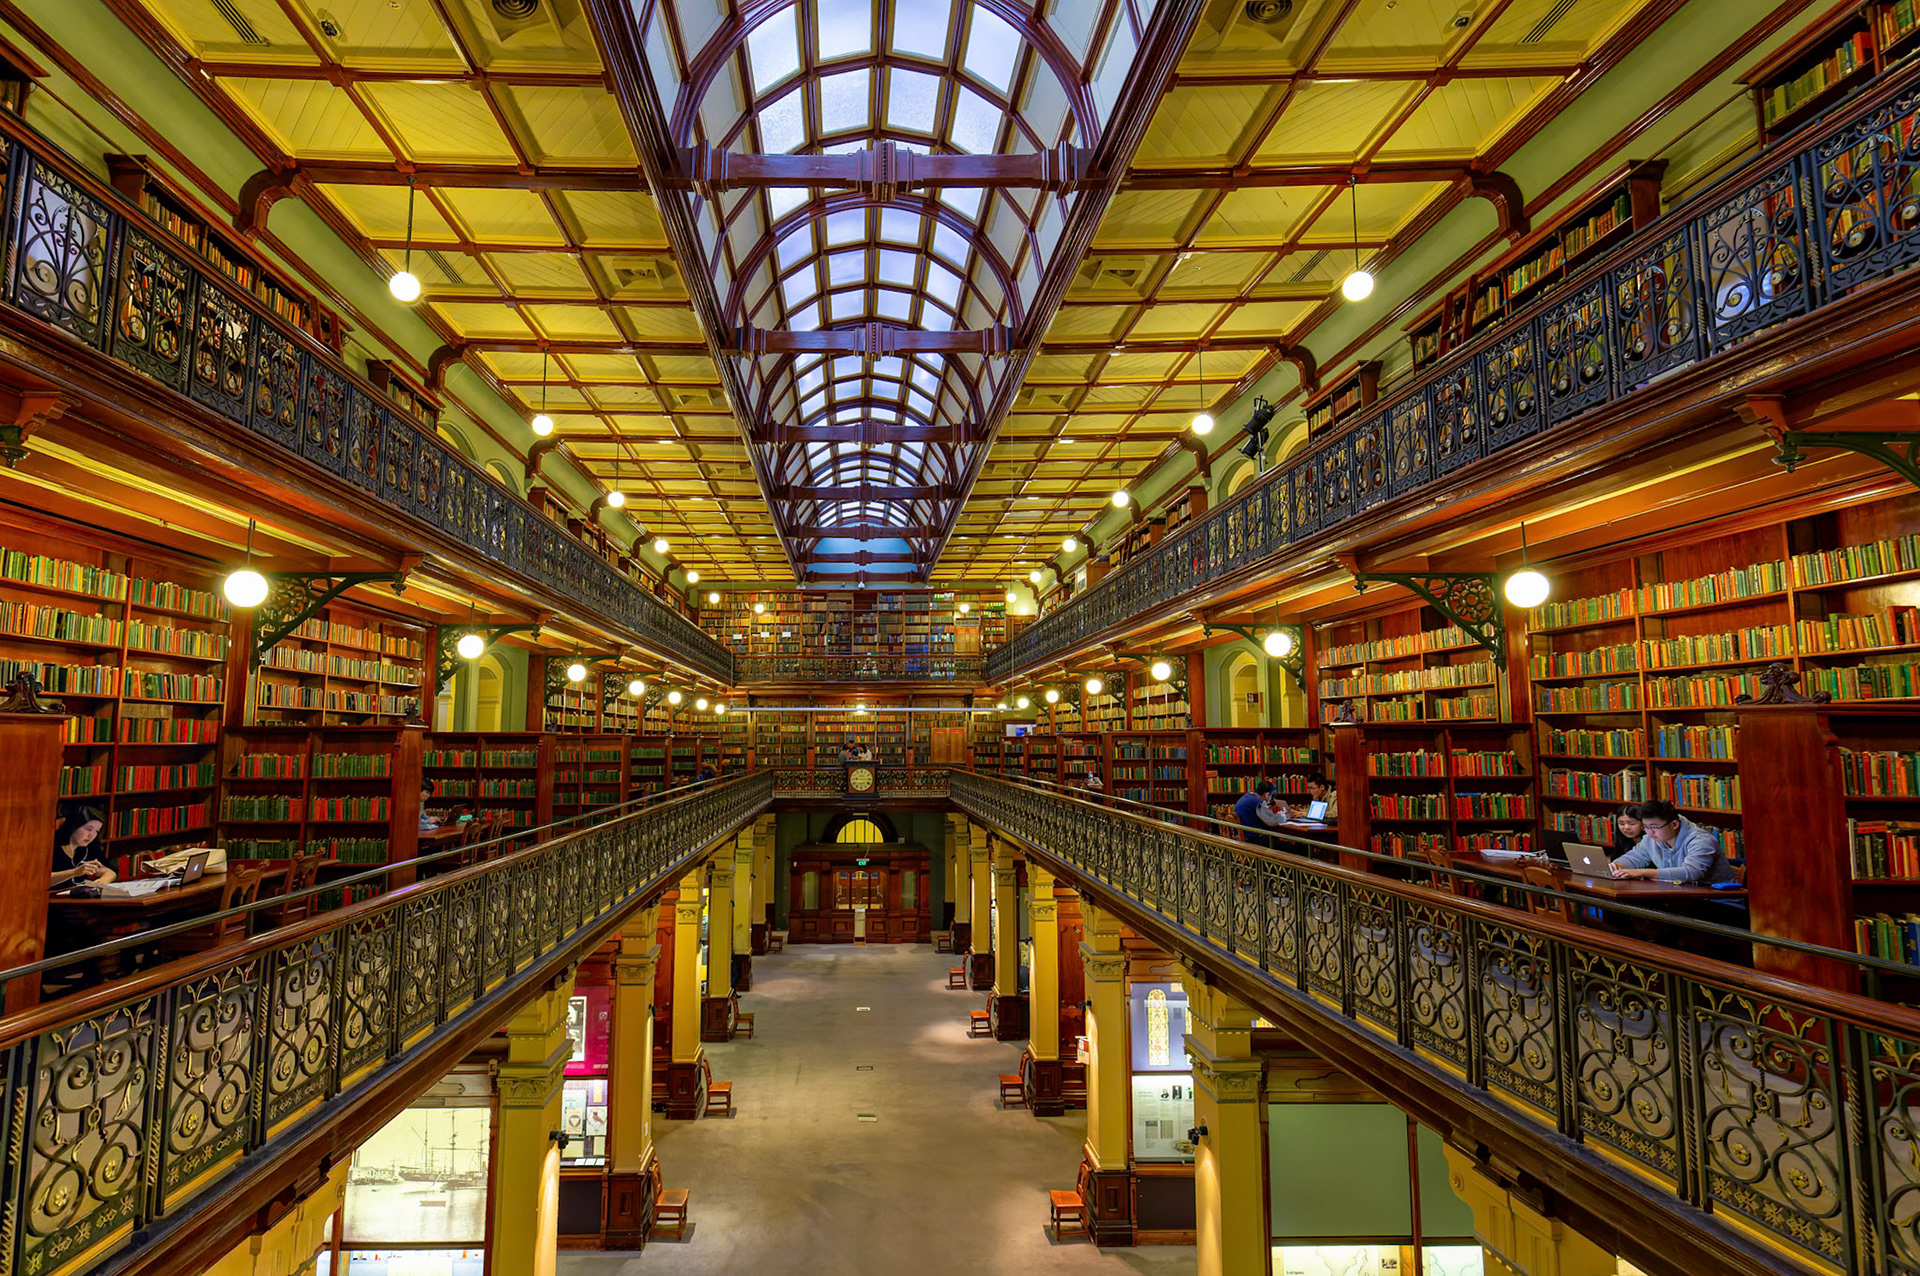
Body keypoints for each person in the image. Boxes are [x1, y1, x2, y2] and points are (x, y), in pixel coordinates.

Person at [1609, 799, 1738, 884]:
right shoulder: (1651, 838)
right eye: (1645, 827)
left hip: (1717, 901)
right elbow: (1635, 857)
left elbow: (1691, 872)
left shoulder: (1701, 840)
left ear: (1674, 824)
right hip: (1680, 896)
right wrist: (1617, 866)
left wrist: (1642, 872)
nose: (1649, 832)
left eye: (1654, 827)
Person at [52, 806, 114, 887]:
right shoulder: (53, 846)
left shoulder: (90, 848)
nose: (92, 835)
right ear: (74, 826)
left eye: (96, 831)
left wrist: (98, 883)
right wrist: (74, 872)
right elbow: (42, 879)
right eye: (88, 829)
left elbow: (110, 873)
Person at [1233, 780, 1286, 848]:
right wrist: (1284, 816)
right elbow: (1272, 822)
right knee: (1290, 847)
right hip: (1251, 839)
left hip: (1241, 836)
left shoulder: (1247, 796)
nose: (1271, 799)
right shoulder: (1258, 802)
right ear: (1267, 794)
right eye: (1271, 796)